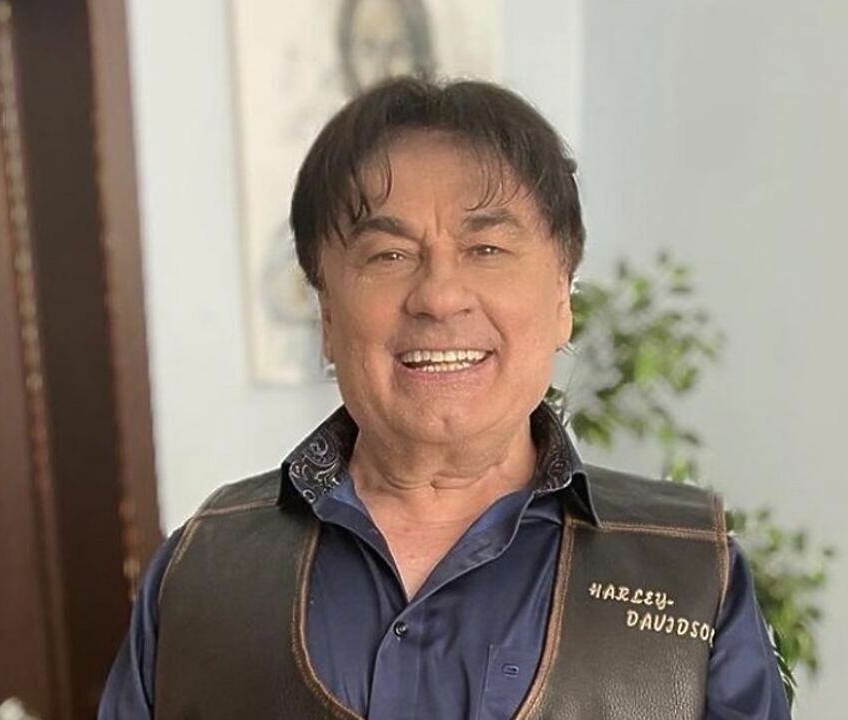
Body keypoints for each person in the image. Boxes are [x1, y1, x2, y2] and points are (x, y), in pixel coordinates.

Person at [100, 76, 790, 719]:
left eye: (486, 248)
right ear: (327, 313)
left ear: (562, 298)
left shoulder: (692, 571)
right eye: (388, 255)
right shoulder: (202, 569)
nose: (438, 296)